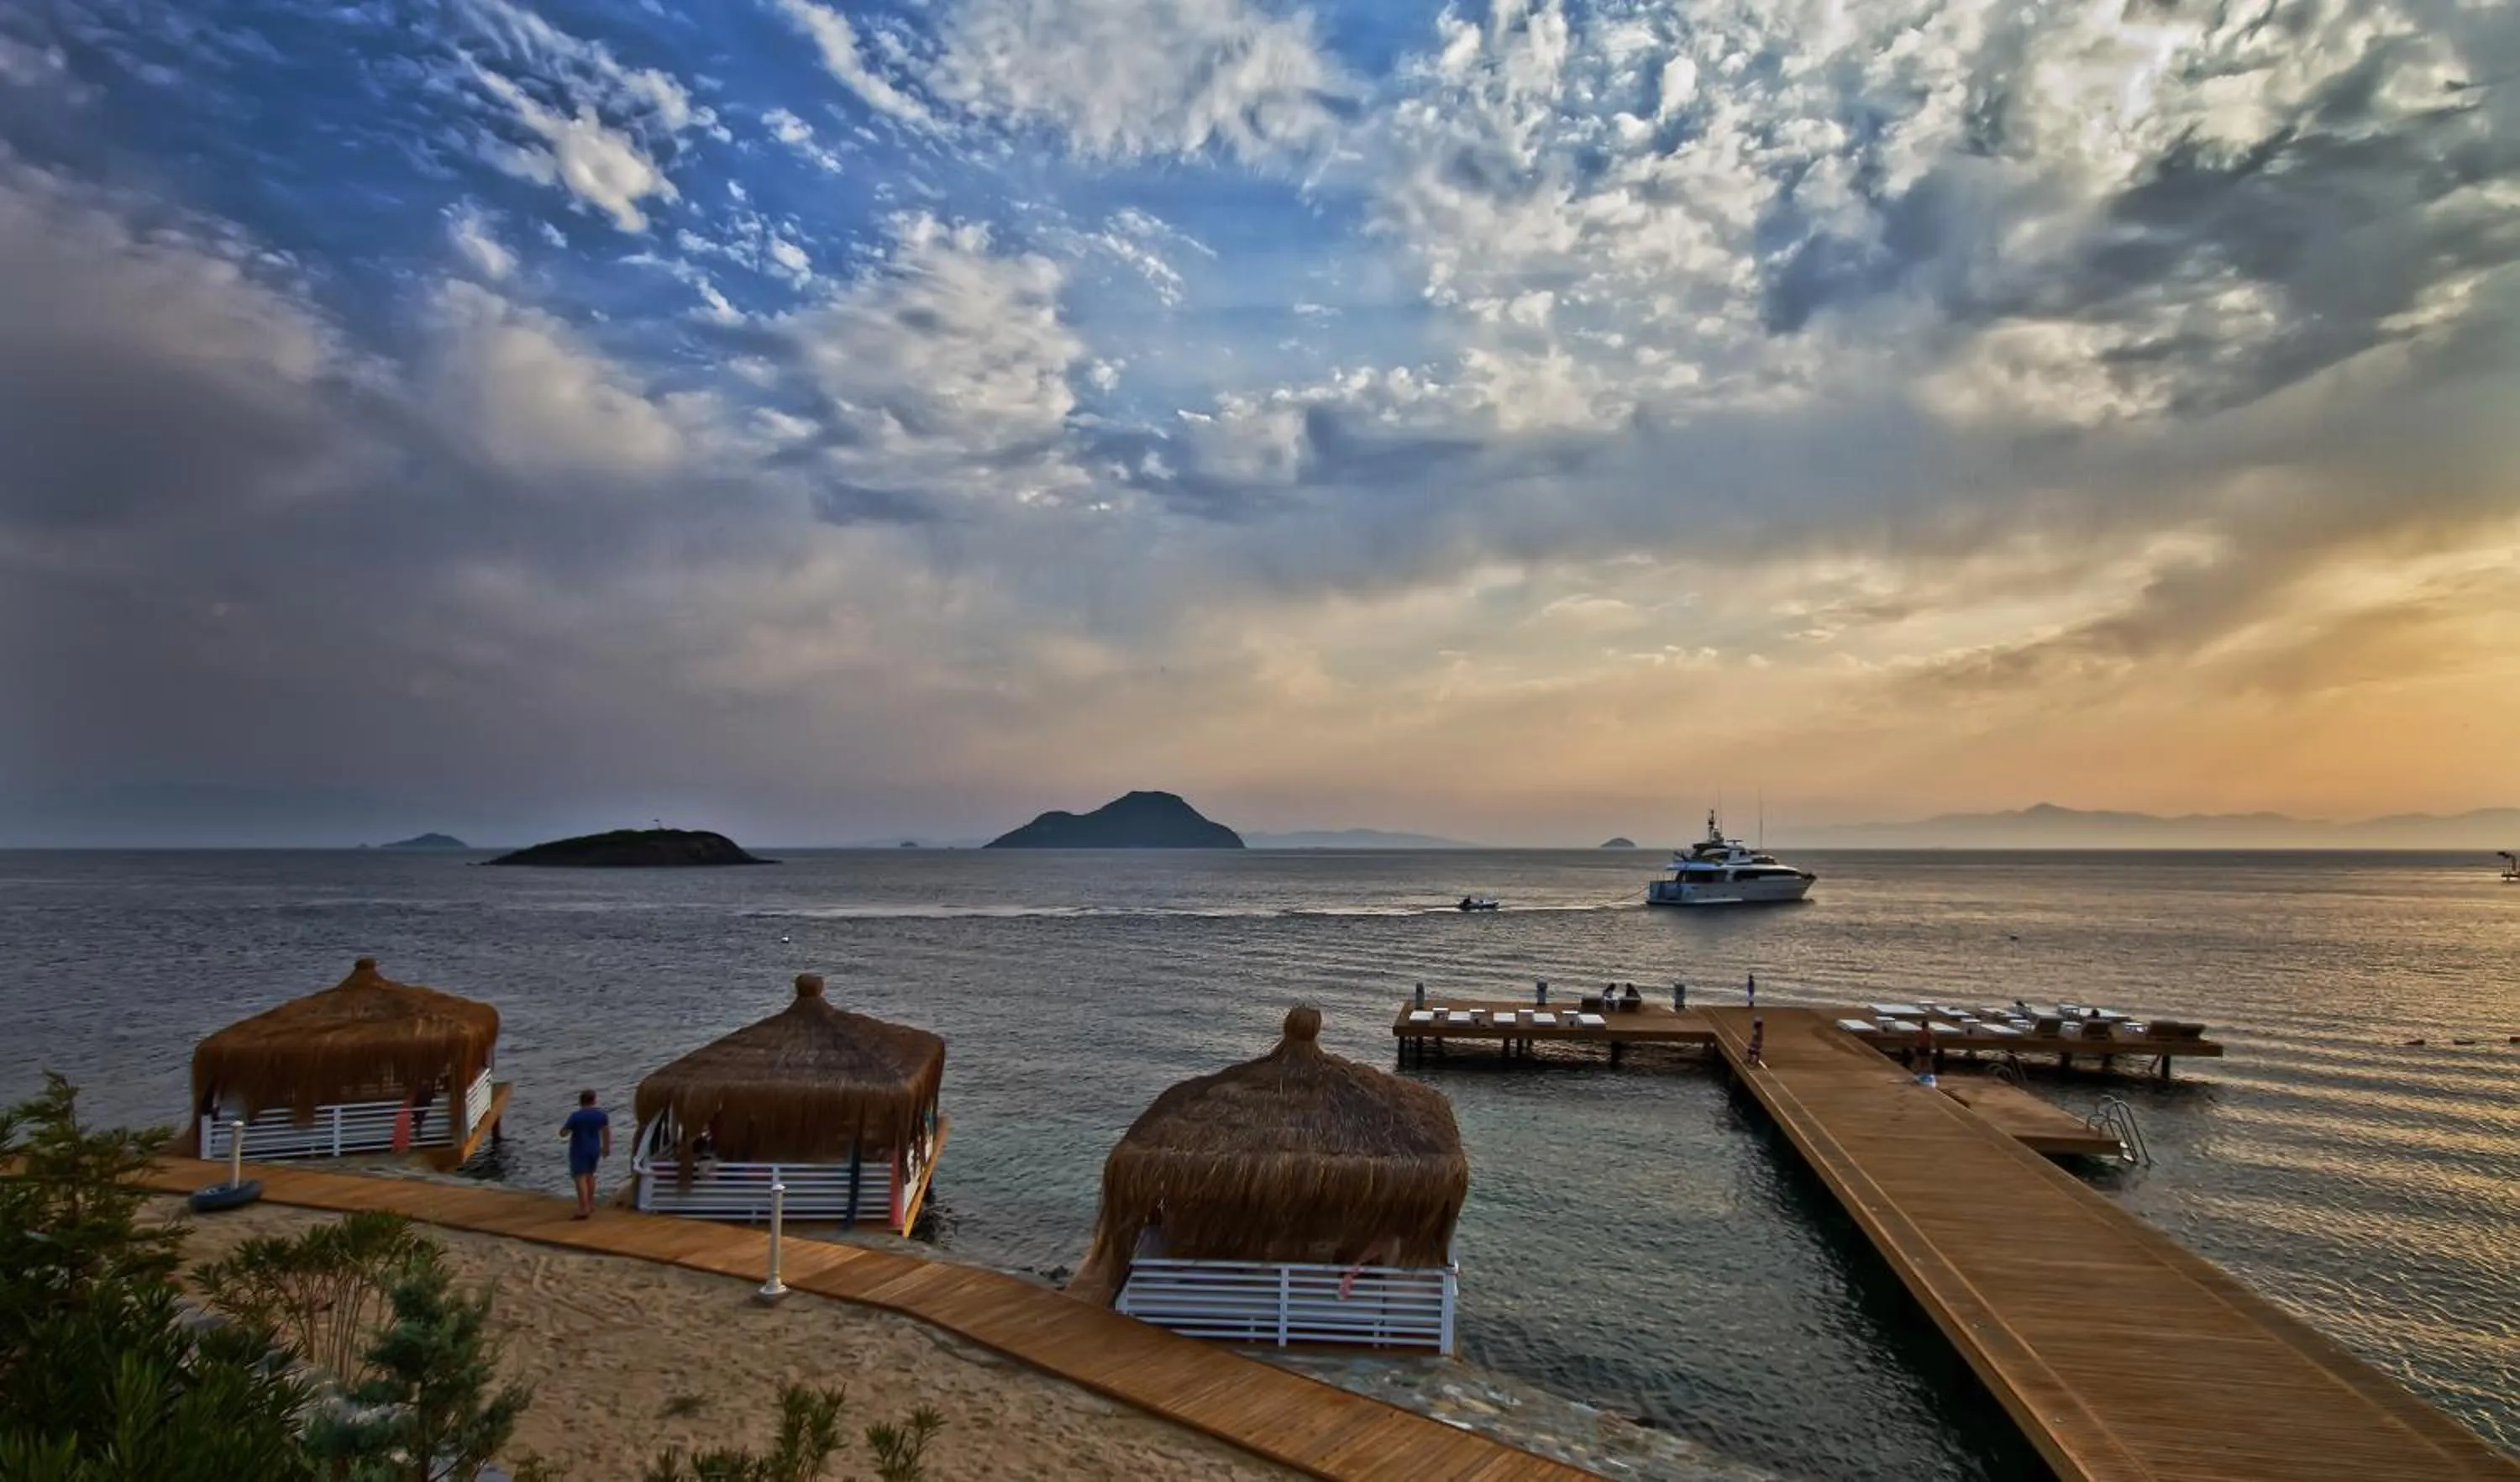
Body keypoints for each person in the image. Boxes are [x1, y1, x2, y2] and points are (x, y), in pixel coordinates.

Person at [559, 1090, 610, 1219]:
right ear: (594, 1100)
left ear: (580, 1101)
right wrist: (606, 1148)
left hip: (579, 1149)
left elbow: (564, 1133)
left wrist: (562, 1131)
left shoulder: (576, 1116)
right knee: (590, 1176)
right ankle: (590, 1204)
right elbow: (606, 1132)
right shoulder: (601, 1115)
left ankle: (584, 1208)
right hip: (594, 1149)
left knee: (580, 1178)